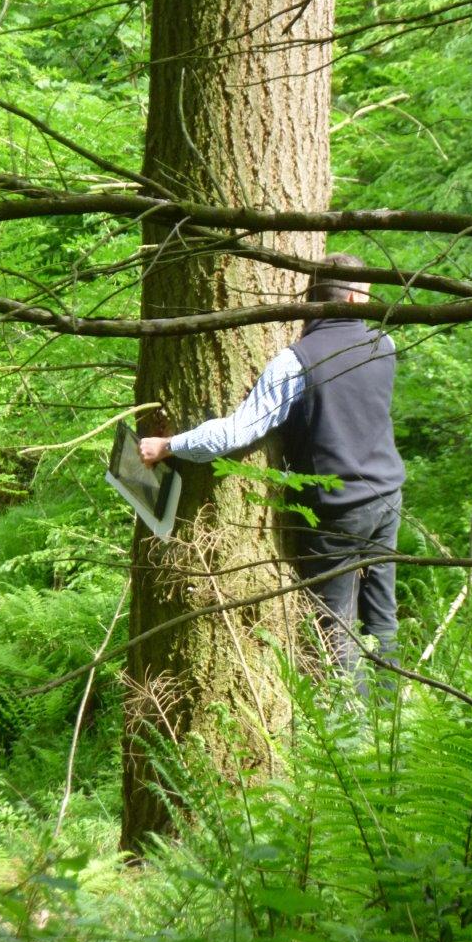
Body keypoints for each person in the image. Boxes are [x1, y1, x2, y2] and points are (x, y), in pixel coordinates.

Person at [138, 254, 405, 687]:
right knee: (382, 617)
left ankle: (347, 741)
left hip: (335, 513)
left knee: (333, 634)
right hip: (388, 498)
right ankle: (387, 728)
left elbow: (236, 433)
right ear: (355, 297)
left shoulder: (298, 362)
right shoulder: (385, 346)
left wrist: (169, 445)